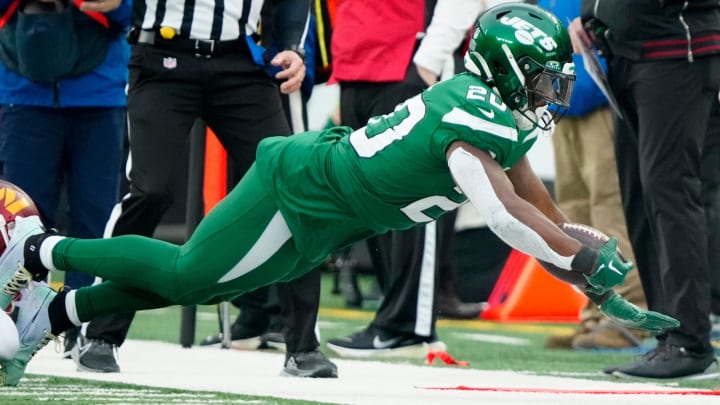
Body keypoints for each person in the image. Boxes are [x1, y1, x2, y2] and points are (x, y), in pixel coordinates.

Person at [0, 3, 679, 387]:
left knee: (199, 284)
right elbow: (503, 215)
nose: (546, 95)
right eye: (538, 79)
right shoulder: (472, 120)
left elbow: (541, 210)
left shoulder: (497, 120)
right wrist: (579, 264)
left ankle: (51, 315)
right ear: (504, 69)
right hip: (300, 191)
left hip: (327, 219)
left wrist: (587, 272)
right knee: (190, 273)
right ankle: (35, 245)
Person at [69, 0, 336, 378]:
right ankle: (100, 333)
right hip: (162, 58)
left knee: (289, 185)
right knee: (151, 190)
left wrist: (292, 46)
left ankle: (303, 346)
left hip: (242, 61)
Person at [325, 0, 492, 359]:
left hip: (408, 60)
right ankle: (393, 320)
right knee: (370, 201)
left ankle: (409, 327)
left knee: (415, 198)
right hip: (357, 63)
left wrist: (429, 59)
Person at [574, 0, 720, 379]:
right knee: (639, 198)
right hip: (625, 54)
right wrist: (592, 17)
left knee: (670, 195)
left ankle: (691, 342)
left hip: (675, 52)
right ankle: (670, 336)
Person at [0, 0, 130, 357]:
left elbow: (133, 13)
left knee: (96, 216)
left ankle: (83, 322)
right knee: (21, 220)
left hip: (100, 95)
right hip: (23, 91)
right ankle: (16, 320)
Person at [538, 0, 649, 352]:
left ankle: (629, 319)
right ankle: (595, 314)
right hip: (561, 94)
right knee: (575, 217)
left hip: (601, 90)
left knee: (610, 209)